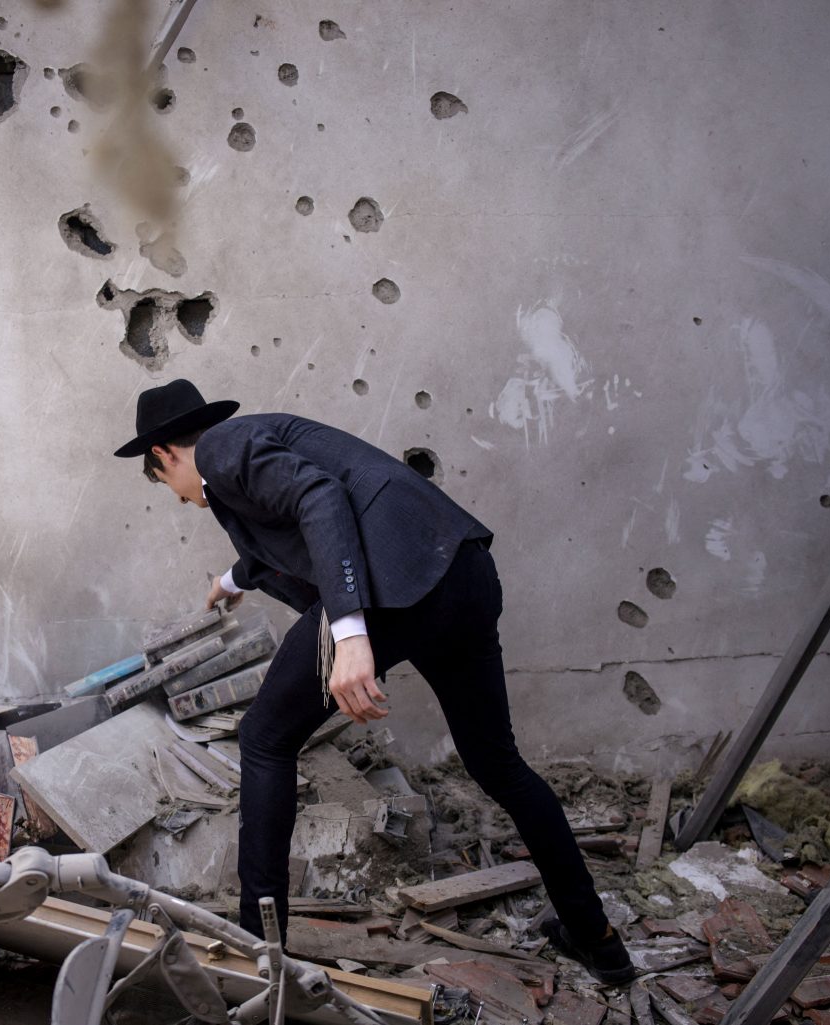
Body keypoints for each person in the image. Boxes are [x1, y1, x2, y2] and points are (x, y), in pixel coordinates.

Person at [114, 379, 635, 984]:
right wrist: (231, 581)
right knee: (498, 765)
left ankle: (259, 953)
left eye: (170, 491)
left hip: (393, 597)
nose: (182, 500)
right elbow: (286, 519)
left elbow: (317, 499)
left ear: (164, 455)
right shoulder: (253, 446)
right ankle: (599, 941)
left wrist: (350, 635)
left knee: (263, 738)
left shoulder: (220, 447)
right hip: (459, 573)